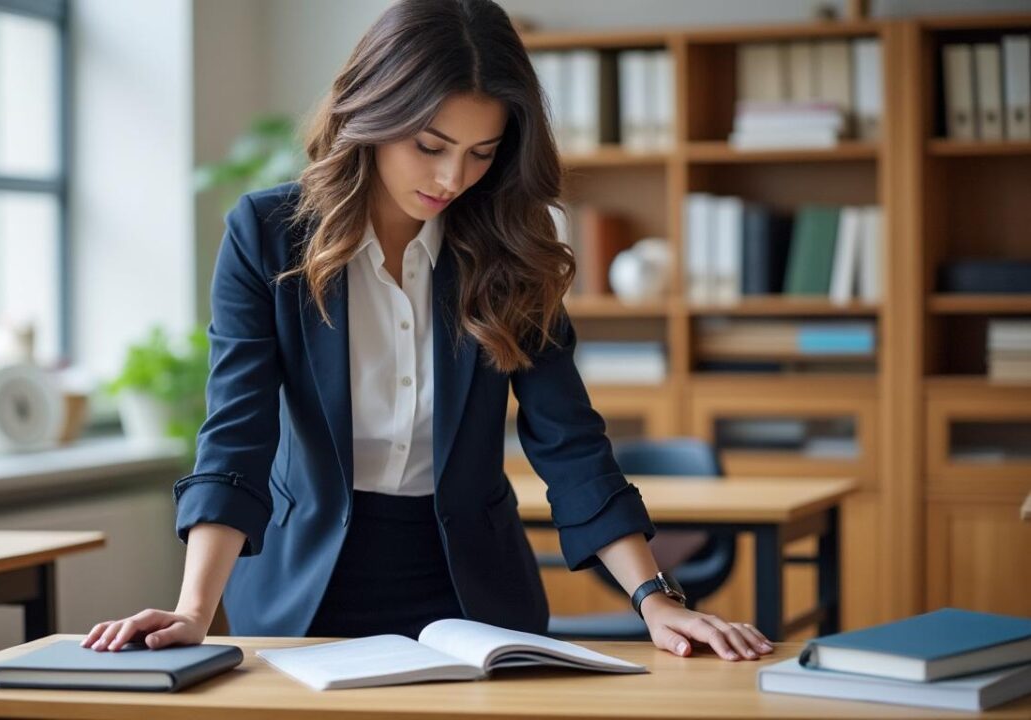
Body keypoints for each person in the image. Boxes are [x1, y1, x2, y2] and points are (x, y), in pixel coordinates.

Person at [84, 0, 773, 662]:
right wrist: (194, 610)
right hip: (305, 594)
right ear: (372, 112)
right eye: (431, 145)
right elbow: (237, 433)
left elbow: (569, 442)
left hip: (473, 594)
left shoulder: (510, 248)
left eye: (481, 153)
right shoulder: (267, 238)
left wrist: (656, 600)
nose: (453, 178)